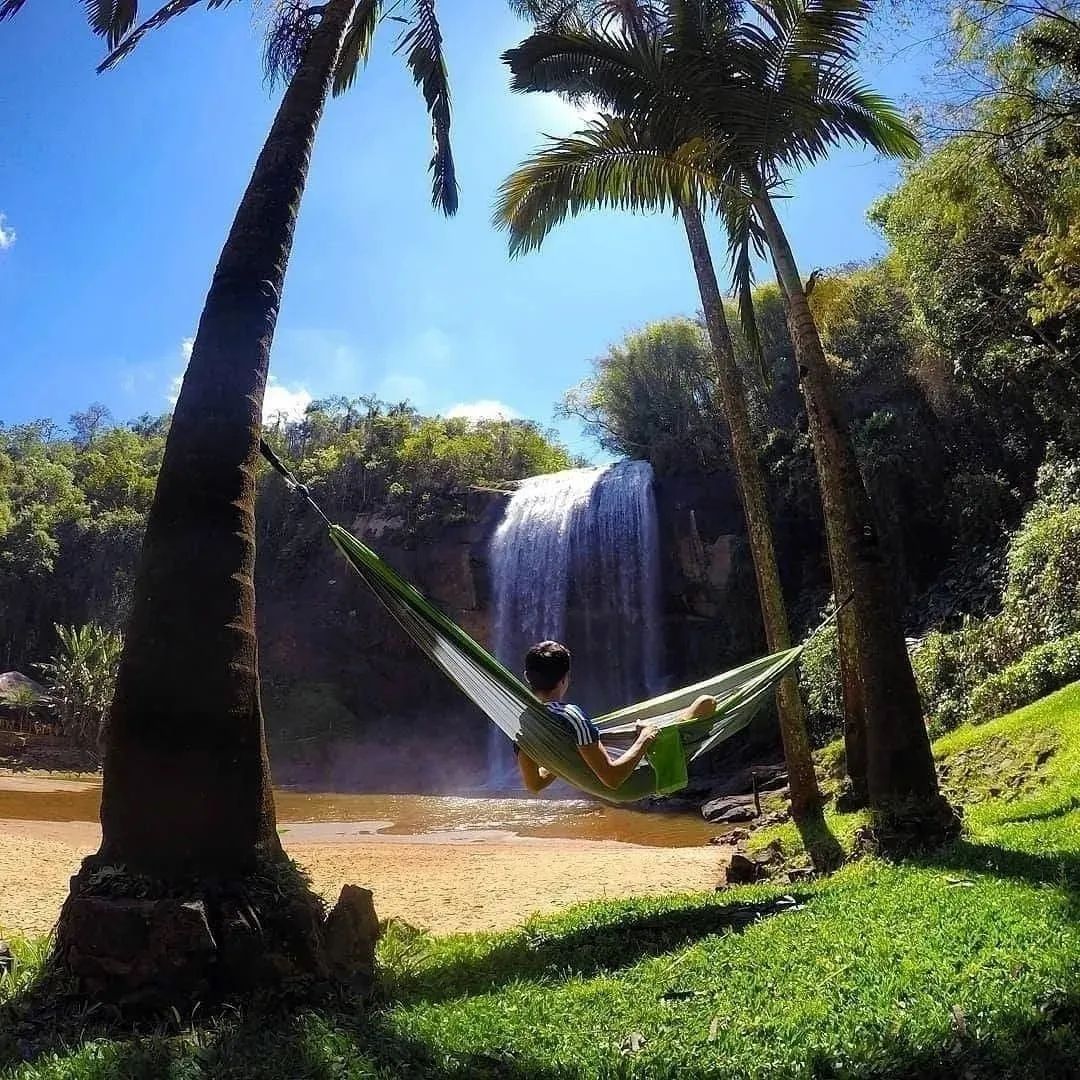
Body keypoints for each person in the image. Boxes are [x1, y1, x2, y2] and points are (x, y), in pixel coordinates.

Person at [515, 640, 717, 794]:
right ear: (565, 678)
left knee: (685, 715)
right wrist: (644, 738)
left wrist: (560, 759)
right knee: (706, 702)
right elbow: (613, 779)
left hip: (602, 780)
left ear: (526, 676)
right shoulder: (572, 716)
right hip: (629, 782)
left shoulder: (523, 724)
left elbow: (534, 785)